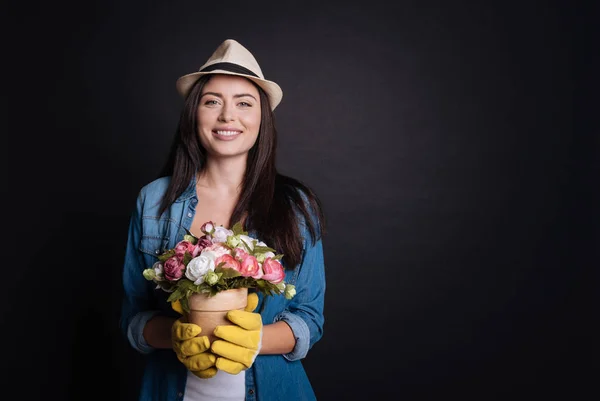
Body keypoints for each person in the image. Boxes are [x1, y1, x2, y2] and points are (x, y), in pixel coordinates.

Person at [119, 38, 326, 401]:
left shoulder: (296, 206)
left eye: (244, 104)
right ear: (193, 114)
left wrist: (253, 339)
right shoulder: (153, 201)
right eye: (212, 101)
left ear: (262, 118)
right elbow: (134, 318)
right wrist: (178, 336)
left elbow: (309, 318)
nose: (227, 116)